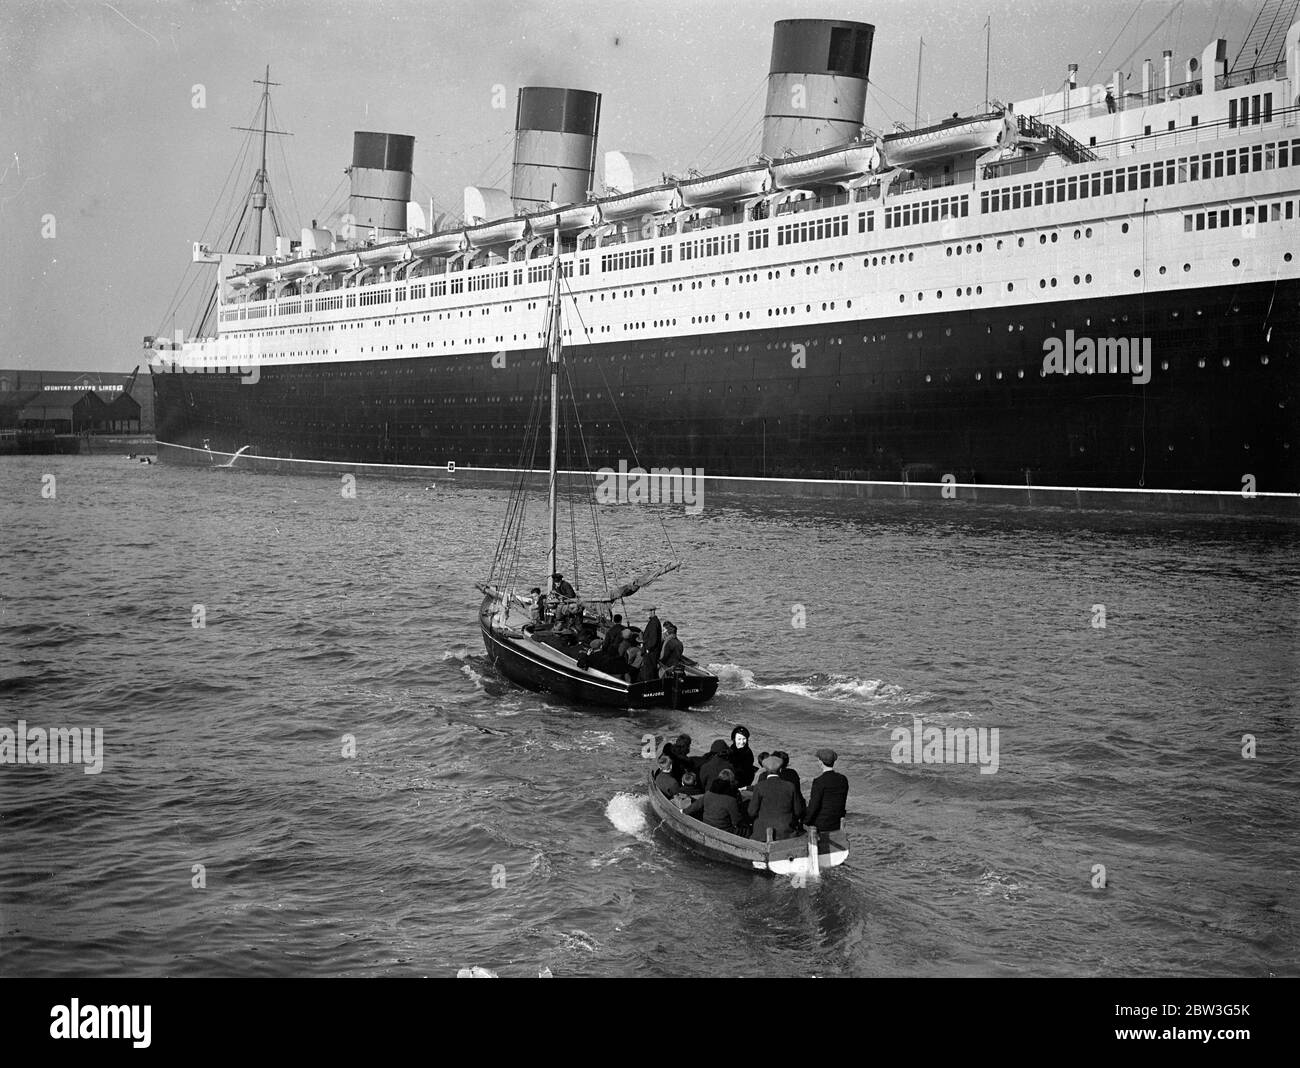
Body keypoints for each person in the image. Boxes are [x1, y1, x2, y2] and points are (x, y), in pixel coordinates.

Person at [748, 754, 804, 841]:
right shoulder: (790, 786)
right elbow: (798, 811)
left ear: (766, 770)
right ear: (780, 770)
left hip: (762, 833)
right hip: (786, 832)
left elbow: (751, 812)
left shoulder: (759, 787)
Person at [804, 749, 849, 832]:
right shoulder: (843, 779)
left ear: (820, 762)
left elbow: (814, 805)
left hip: (821, 825)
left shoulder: (819, 781)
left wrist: (805, 822)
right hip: (836, 822)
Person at [641, 607, 662, 675]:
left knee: (649, 671)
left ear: (652, 611)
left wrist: (648, 649)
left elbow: (653, 639)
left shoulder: (653, 622)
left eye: (647, 611)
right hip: (652, 652)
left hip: (651, 653)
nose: (645, 613)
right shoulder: (654, 621)